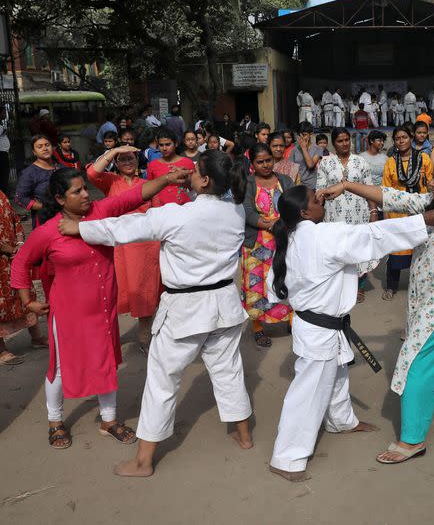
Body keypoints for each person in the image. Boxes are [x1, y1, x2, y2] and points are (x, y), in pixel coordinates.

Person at [59, 150, 254, 476]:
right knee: (229, 371)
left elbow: (124, 228)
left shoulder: (177, 215)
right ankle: (244, 435)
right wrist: (174, 182)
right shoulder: (234, 210)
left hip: (186, 310)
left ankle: (143, 461)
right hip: (225, 305)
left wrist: (79, 229)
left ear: (204, 180)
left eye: (194, 171)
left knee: (162, 382)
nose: (188, 174)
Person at [318, 152, 434, 464]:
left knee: (418, 362)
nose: (431, 182)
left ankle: (412, 439)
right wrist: (346, 185)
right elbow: (390, 196)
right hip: (423, 302)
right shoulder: (430, 206)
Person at [11, 165, 190, 449]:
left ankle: (109, 420)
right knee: (60, 367)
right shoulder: (48, 232)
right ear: (60, 199)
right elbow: (20, 263)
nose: (85, 194)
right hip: (68, 312)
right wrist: (27, 301)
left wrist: (166, 179)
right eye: (77, 191)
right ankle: (55, 420)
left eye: (85, 188)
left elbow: (134, 195)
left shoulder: (99, 212)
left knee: (105, 362)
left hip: (102, 309)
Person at [267, 186, 434, 482]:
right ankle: (286, 457)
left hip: (316, 324)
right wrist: (423, 221)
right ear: (305, 212)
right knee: (307, 392)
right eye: (314, 197)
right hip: (319, 328)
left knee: (337, 373)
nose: (320, 196)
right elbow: (373, 235)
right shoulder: (323, 235)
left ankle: (341, 421)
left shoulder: (291, 237)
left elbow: (276, 289)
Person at [87, 145, 161, 353]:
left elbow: (157, 215)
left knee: (145, 291)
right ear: (116, 164)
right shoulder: (111, 181)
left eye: (131, 158)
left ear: (138, 161)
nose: (128, 162)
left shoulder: (147, 184)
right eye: (123, 159)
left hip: (145, 247)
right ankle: (108, 338)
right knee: (112, 292)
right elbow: (92, 172)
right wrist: (114, 151)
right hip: (118, 246)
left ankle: (145, 335)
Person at [316, 128, 379, 303]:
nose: (344, 144)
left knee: (359, 250)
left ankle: (360, 287)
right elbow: (320, 191)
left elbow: (370, 190)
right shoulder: (325, 163)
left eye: (346, 140)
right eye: (340, 141)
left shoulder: (361, 162)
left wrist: (373, 212)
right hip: (334, 217)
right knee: (338, 252)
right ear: (333, 143)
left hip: (360, 216)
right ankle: (340, 287)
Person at [242, 143, 294, 348]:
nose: (265, 165)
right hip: (256, 244)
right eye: (260, 162)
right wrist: (268, 224)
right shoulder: (247, 183)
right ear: (252, 163)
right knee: (256, 285)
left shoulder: (286, 180)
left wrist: (280, 224)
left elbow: (292, 206)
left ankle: (291, 321)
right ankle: (258, 328)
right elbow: (246, 210)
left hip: (282, 241)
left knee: (285, 280)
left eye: (268, 160)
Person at [381, 126, 434, 300]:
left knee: (421, 251)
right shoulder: (390, 161)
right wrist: (387, 216)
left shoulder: (424, 158)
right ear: (394, 142)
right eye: (397, 138)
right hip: (397, 212)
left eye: (404, 137)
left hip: (419, 210)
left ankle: (421, 286)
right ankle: (391, 286)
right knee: (396, 250)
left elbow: (432, 182)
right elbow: (386, 190)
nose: (401, 141)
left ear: (411, 138)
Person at [0, 190, 46, 365]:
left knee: (25, 296)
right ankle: (1, 350)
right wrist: (4, 247)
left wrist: (19, 244)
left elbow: (14, 219)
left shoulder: (2, 195)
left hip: (12, 258)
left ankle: (37, 337)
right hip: (4, 255)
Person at [15, 135, 60, 229]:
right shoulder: (29, 173)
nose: (44, 148)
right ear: (34, 152)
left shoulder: (61, 168)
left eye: (47, 145)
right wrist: (46, 207)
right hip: (45, 219)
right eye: (40, 147)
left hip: (67, 216)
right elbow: (20, 198)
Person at [147, 128, 196, 207]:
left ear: (176, 143)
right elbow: (149, 190)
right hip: (161, 210)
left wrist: (186, 178)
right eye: (161, 145)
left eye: (168, 144)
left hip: (185, 209)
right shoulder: (152, 165)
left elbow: (195, 187)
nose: (164, 148)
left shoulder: (187, 163)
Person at [289, 121, 324, 190]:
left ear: (310, 135)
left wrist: (304, 149)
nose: (301, 138)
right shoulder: (294, 150)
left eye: (304, 135)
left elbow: (310, 165)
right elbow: (291, 171)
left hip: (311, 186)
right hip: (298, 186)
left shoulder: (318, 149)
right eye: (299, 135)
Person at [0, 109, 10, 196]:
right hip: (1, 153)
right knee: (3, 174)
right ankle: (3, 195)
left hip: (3, 152)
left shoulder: (1, 123)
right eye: (3, 112)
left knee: (4, 174)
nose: (4, 114)